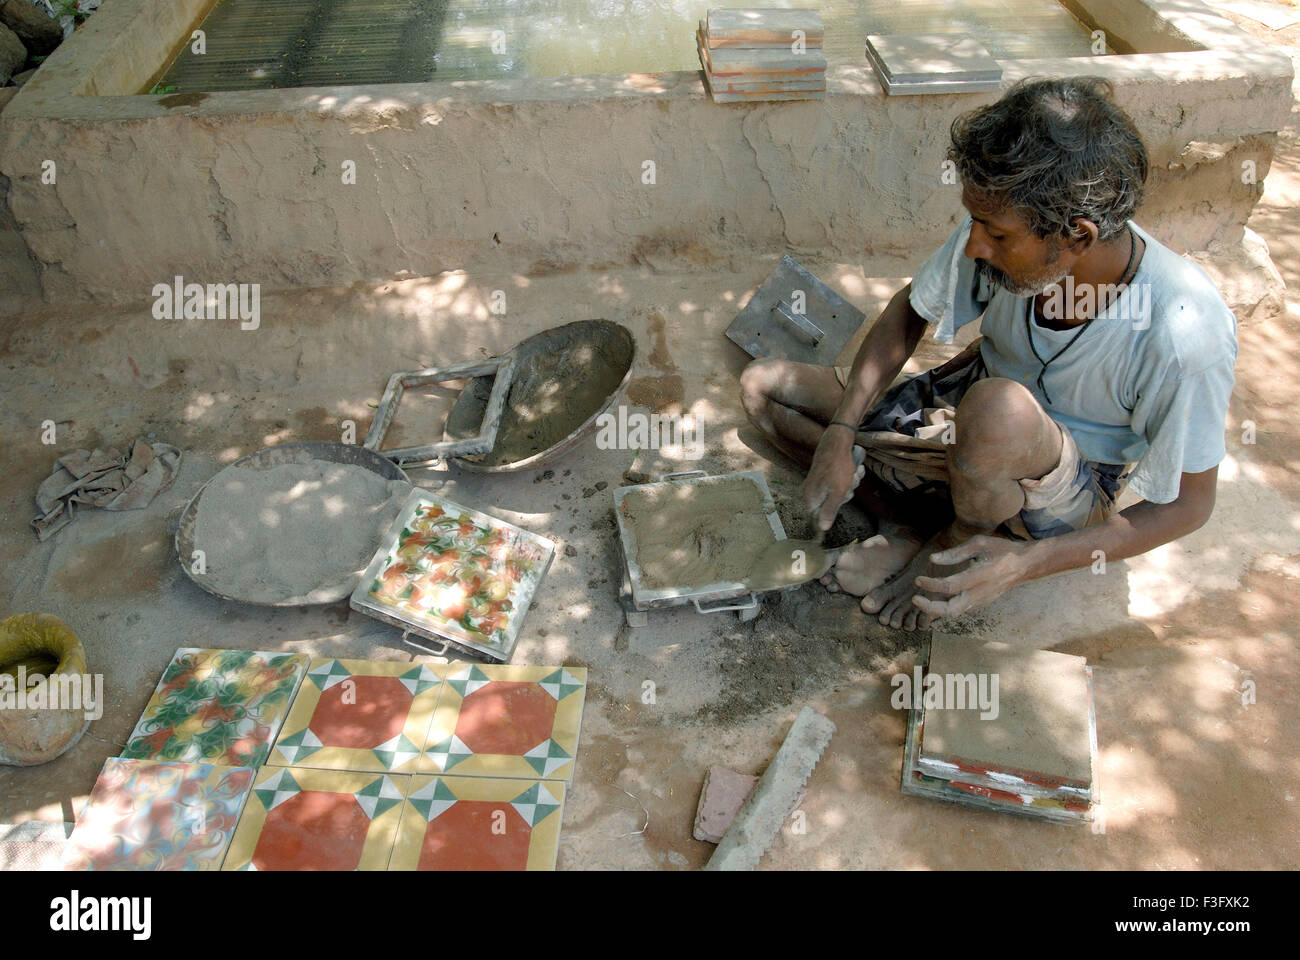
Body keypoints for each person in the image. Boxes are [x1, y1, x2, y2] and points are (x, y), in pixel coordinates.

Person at [739, 76, 1237, 631]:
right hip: (965, 412)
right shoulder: (1004, 219)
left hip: (1063, 482)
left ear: (1077, 235)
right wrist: (841, 430)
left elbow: (1189, 506)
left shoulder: (1184, 332)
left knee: (999, 411)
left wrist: (1029, 564)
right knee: (763, 387)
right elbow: (911, 309)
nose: (976, 245)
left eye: (996, 236)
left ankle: (961, 538)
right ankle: (912, 525)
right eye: (976, 223)